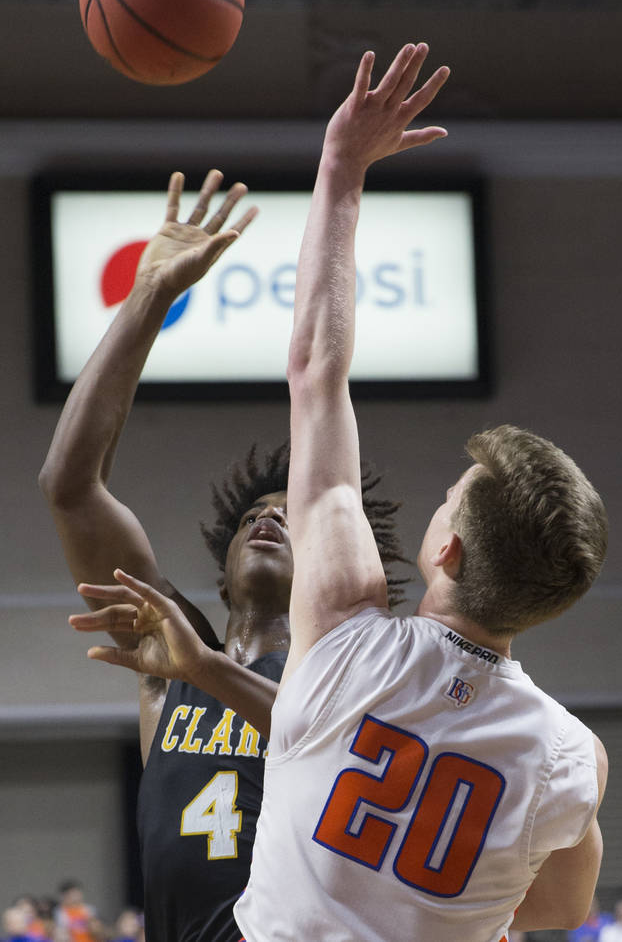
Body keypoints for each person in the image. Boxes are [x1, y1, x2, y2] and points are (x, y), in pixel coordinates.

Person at [72, 43, 609, 940]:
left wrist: (342, 168)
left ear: (445, 549)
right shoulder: (567, 757)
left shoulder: (346, 643)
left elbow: (317, 371)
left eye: (451, 496)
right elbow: (557, 909)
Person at [42, 170, 407, 942]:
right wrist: (148, 297)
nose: (270, 521)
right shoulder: (165, 656)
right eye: (254, 515)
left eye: (292, 517)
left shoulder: (343, 678)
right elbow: (71, 486)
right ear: (223, 562)